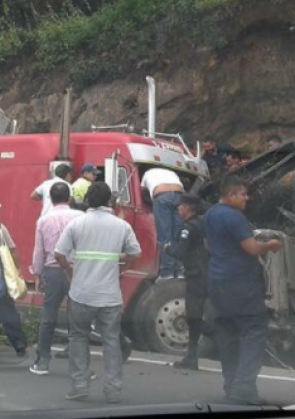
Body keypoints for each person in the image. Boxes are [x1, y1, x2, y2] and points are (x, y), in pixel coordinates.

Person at [54, 182, 141, 404]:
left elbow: (59, 254)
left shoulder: (77, 223)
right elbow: (135, 252)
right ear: (109, 202)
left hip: (81, 293)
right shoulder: (121, 226)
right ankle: (113, 389)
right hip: (109, 296)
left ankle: (80, 386)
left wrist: (69, 271)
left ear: (88, 201)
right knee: (111, 341)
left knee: (78, 337)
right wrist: (123, 266)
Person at [204, 176, 282, 405]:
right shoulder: (234, 216)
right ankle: (245, 388)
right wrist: (271, 245)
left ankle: (231, 386)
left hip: (217, 281)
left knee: (227, 334)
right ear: (230, 195)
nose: (246, 198)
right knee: (254, 331)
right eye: (242, 194)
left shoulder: (210, 214)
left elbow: (209, 244)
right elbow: (251, 248)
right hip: (240, 283)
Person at [29, 182, 84, 375]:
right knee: (77, 318)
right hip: (77, 270)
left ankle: (42, 360)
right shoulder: (81, 217)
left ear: (50, 199)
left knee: (48, 317)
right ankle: (80, 366)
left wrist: (37, 273)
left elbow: (38, 251)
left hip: (52, 271)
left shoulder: (44, 220)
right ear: (69, 198)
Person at [164, 194, 208, 370]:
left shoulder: (188, 228)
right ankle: (192, 357)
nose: (179, 209)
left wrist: (168, 249)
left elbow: (180, 252)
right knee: (195, 315)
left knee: (193, 316)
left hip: (196, 276)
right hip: (205, 274)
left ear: (188, 207)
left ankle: (221, 339)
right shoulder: (202, 223)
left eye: (180, 206)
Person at [0, 216, 29, 360]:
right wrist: (17, 270)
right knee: (8, 311)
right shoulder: (1, 229)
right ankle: (19, 343)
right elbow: (12, 250)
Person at [141, 167, 184, 280]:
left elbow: (143, 194)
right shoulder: (172, 173)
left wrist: (153, 204)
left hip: (162, 197)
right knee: (177, 236)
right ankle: (180, 271)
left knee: (165, 236)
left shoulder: (147, 173)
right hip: (180, 197)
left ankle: (167, 273)